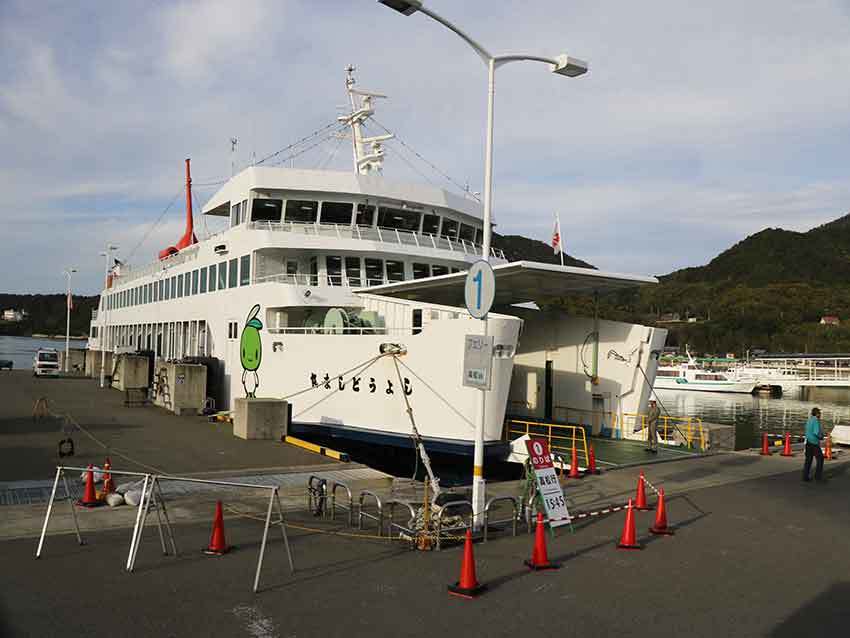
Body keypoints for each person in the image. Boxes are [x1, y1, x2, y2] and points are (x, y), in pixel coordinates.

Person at [802, 407, 826, 482]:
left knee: (808, 460)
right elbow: (816, 432)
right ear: (817, 414)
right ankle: (818, 476)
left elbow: (807, 431)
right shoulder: (816, 421)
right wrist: (821, 437)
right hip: (814, 443)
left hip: (808, 442)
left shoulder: (809, 420)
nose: (821, 414)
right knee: (820, 458)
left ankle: (805, 476)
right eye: (820, 413)